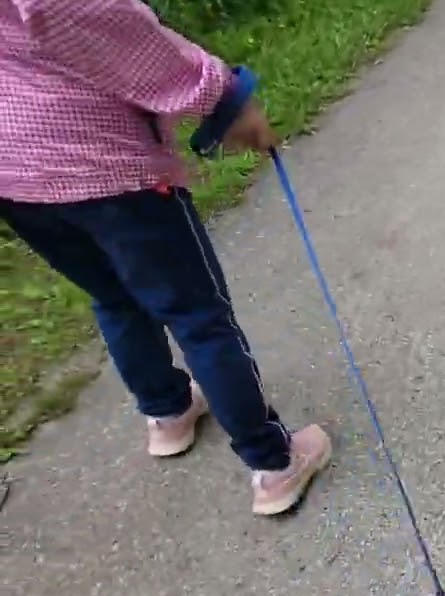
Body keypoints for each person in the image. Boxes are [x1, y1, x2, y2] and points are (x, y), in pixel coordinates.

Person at [0, 0, 331, 516]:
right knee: (198, 317)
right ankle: (274, 463)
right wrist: (222, 98)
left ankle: (169, 411)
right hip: (100, 160)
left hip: (14, 175)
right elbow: (81, 10)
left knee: (113, 296)